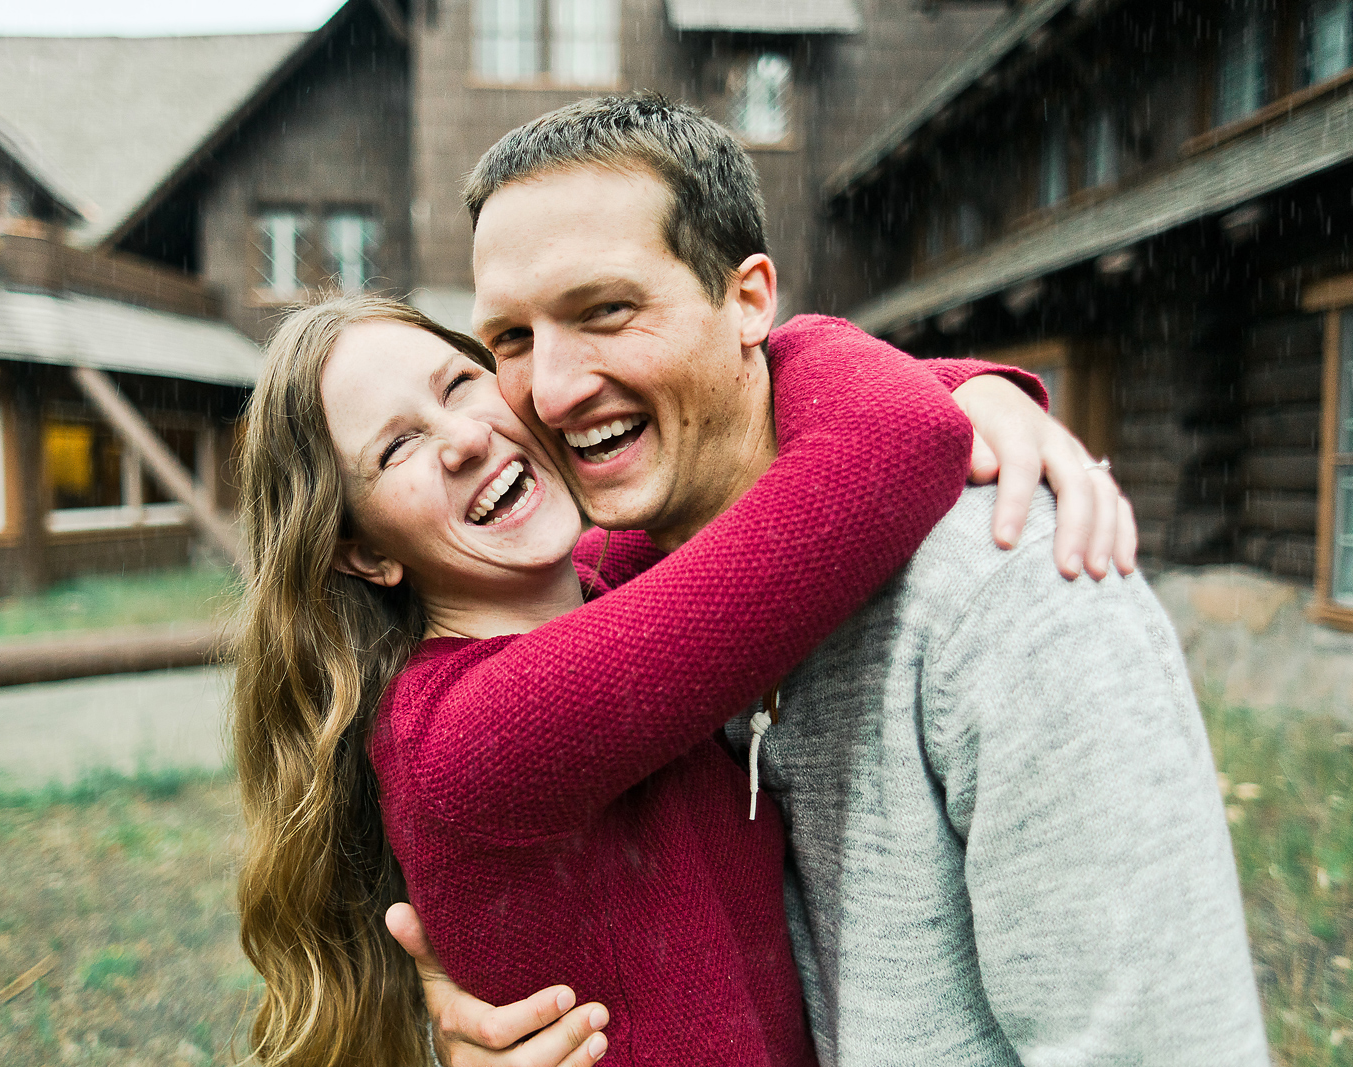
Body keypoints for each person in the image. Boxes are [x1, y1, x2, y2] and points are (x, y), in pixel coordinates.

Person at [393, 94, 1268, 1066]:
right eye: (509, 339)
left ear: (749, 301)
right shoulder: (607, 607)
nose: (550, 389)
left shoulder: (1010, 591)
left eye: (607, 310)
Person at [230, 293, 1064, 1067]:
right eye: (397, 446)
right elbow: (888, 450)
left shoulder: (605, 592)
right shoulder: (474, 729)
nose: (464, 438)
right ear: (365, 552)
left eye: (459, 383)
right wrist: (762, 328)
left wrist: (967, 385)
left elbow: (764, 459)